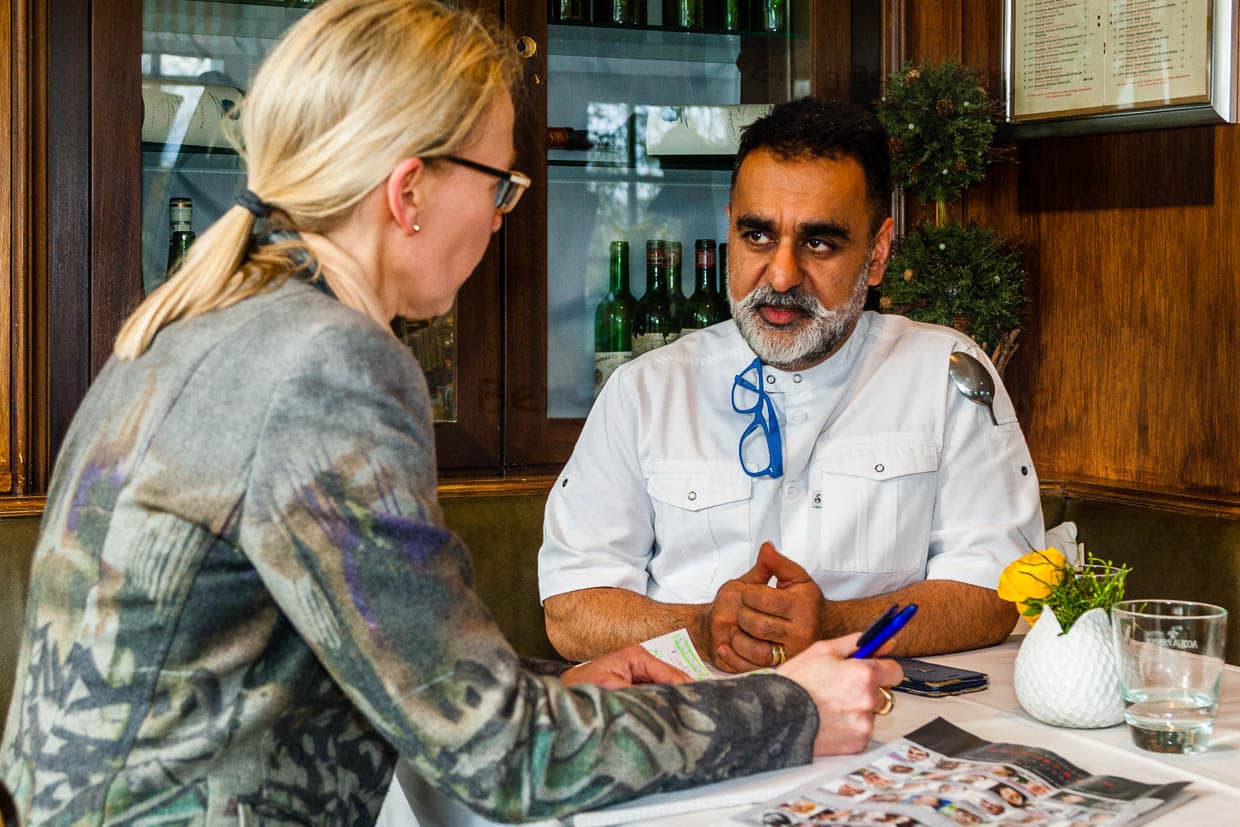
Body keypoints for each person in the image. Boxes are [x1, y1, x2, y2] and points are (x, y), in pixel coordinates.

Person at [0, 2, 904, 824]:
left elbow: (385, 667)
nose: (503, 216)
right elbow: (500, 757)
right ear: (409, 192)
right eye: (500, 184)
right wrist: (790, 708)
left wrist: (547, 689)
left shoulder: (226, 317)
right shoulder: (328, 365)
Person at [538, 96, 1044, 672]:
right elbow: (573, 607)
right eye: (757, 236)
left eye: (819, 243)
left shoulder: (943, 373)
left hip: (880, 707)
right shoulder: (646, 389)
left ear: (877, 254)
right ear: (730, 228)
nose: (781, 275)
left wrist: (834, 626)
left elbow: (992, 590)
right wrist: (704, 629)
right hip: (693, 709)